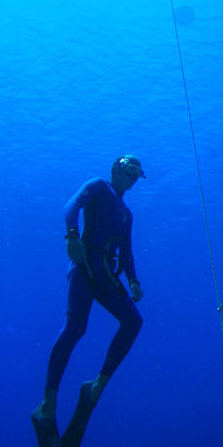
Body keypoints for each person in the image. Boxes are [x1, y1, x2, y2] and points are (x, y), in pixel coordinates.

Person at [32, 155, 145, 427]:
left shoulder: (127, 215)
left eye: (136, 174)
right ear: (116, 169)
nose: (131, 178)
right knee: (75, 328)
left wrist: (133, 281)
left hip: (107, 273)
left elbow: (126, 252)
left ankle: (98, 384)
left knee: (133, 321)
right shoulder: (98, 186)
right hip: (84, 264)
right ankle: (49, 400)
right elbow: (70, 205)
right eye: (129, 170)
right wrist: (72, 235)